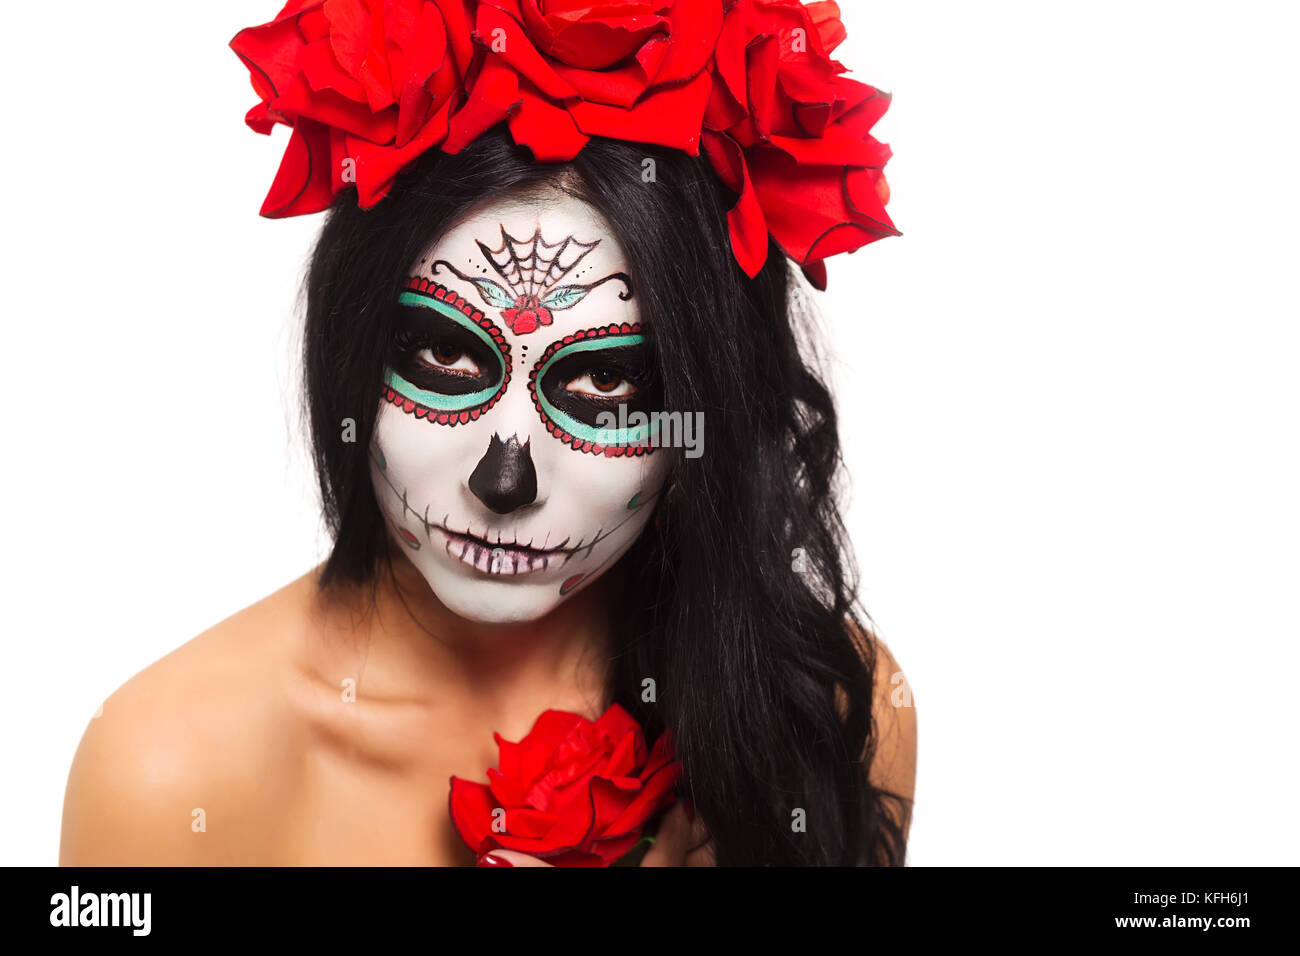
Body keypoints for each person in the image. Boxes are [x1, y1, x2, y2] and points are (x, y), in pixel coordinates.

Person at [59, 0, 916, 867]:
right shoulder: (168, 775)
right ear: (350, 345)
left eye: (604, 379)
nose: (504, 481)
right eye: (443, 352)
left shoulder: (830, 714)